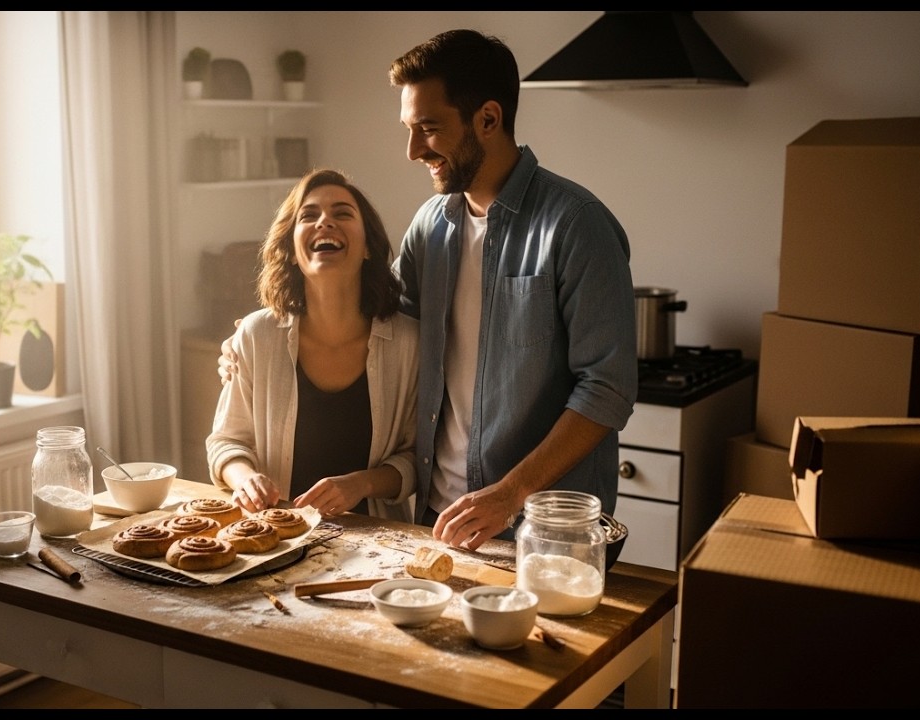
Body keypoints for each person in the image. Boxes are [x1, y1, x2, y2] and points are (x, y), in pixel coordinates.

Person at [221, 29, 636, 552]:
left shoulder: (577, 225)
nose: (414, 150)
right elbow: (380, 321)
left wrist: (507, 496)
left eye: (429, 128)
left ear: (488, 119)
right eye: (409, 129)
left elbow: (608, 390)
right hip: (438, 520)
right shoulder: (431, 226)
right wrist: (254, 338)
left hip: (543, 531)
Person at [206, 168, 419, 522]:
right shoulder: (257, 335)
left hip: (381, 542)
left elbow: (415, 458)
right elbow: (225, 442)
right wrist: (245, 479)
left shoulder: (408, 343)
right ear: (291, 249)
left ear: (367, 247)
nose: (324, 222)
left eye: (342, 213)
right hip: (277, 537)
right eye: (309, 215)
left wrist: (360, 485)